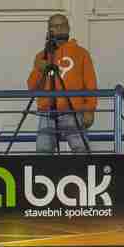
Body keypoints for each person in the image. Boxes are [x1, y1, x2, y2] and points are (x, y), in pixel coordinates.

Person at [29, 12, 97, 154]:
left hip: (73, 110)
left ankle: (85, 169)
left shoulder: (81, 53)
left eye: (62, 25)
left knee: (81, 149)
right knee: (43, 150)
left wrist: (89, 109)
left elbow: (90, 83)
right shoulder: (42, 56)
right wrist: (39, 69)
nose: (58, 29)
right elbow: (32, 87)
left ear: (68, 28)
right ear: (48, 30)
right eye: (54, 26)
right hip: (47, 111)